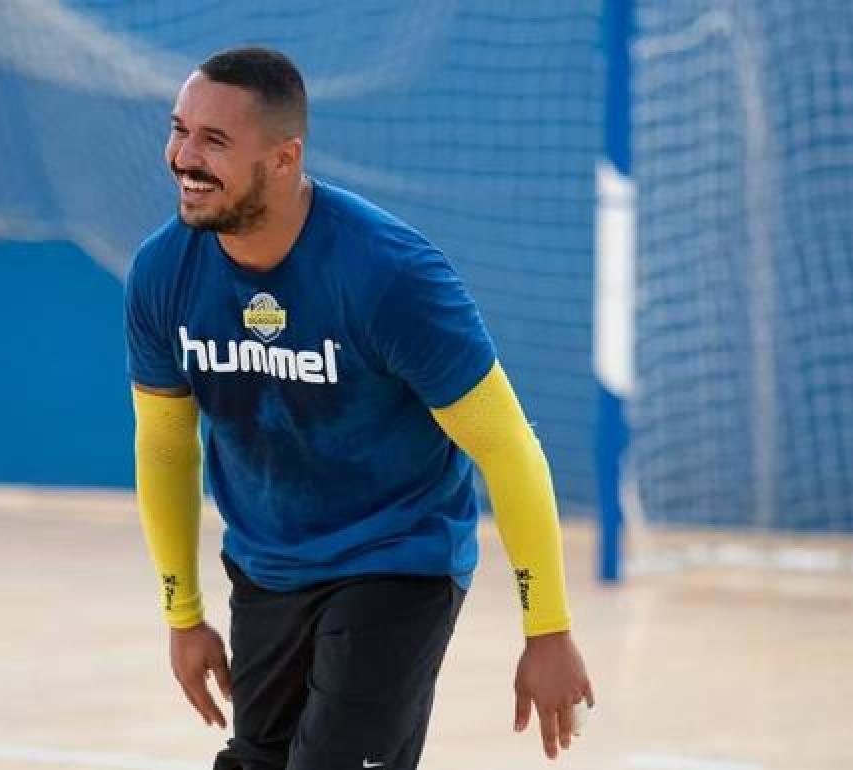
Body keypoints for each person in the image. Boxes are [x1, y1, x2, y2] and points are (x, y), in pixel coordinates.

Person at [126, 46, 594, 770]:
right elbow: (163, 448)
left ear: (284, 159)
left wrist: (548, 628)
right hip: (267, 565)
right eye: (179, 130)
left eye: (214, 141)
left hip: (396, 558)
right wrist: (182, 615)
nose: (184, 156)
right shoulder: (163, 273)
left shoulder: (390, 276)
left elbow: (505, 445)